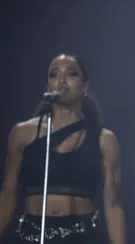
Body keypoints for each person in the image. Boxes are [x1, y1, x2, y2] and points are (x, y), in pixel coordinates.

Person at [0, 54, 126, 243]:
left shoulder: (104, 140)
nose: (61, 80)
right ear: (47, 86)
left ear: (85, 86)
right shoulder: (21, 134)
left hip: (82, 235)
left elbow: (113, 204)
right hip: (31, 235)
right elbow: (8, 194)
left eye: (72, 74)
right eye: (53, 74)